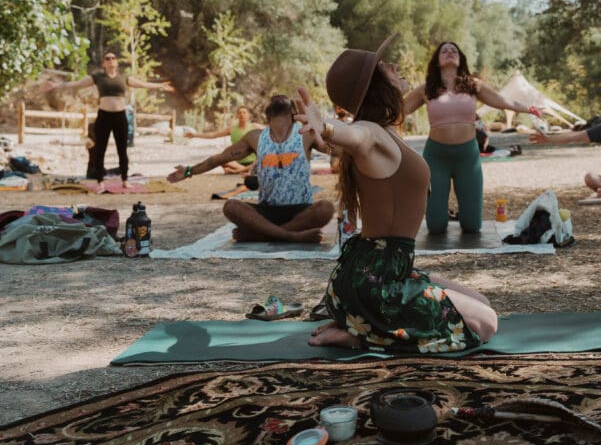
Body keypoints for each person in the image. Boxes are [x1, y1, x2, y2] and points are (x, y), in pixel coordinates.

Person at [294, 34, 498, 352]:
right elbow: (355, 136)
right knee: (485, 324)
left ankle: (363, 323)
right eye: (383, 66)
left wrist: (330, 131)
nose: (393, 65)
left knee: (481, 303)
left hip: (376, 273)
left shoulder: (386, 131)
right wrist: (327, 126)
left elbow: (354, 137)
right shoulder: (371, 131)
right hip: (377, 283)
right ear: (376, 85)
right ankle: (365, 335)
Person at [403, 41, 541, 234]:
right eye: (444, 51)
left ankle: (462, 213)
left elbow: (503, 101)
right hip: (436, 156)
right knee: (435, 227)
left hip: (467, 157)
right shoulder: (425, 89)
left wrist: (530, 108)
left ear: (460, 60)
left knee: (472, 226)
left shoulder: (473, 85)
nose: (450, 52)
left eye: (454, 50)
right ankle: (442, 213)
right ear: (437, 60)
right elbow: (397, 111)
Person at [168, 94, 334, 243]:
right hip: (266, 212)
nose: (278, 98)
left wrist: (323, 127)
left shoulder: (306, 134)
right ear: (267, 115)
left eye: (282, 100)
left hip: (301, 211)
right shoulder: (255, 137)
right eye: (274, 100)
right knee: (231, 206)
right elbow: (219, 159)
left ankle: (264, 234)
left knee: (326, 208)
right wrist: (189, 171)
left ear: (293, 113)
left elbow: (337, 150)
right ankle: (290, 235)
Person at [41, 50, 175, 191]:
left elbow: (143, 84)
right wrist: (56, 86)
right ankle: (100, 181)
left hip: (120, 117)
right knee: (100, 150)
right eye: (107, 58)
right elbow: (77, 84)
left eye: (113, 58)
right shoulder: (98, 77)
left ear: (116, 62)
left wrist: (159, 86)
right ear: (103, 63)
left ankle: (125, 179)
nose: (111, 60)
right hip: (104, 116)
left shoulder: (124, 78)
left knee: (122, 150)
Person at [184, 105, 263, 174]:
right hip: (236, 162)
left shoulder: (255, 126)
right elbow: (214, 135)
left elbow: (271, 130)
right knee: (220, 160)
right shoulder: (232, 129)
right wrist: (195, 135)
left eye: (244, 112)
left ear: (248, 115)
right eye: (240, 113)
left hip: (253, 162)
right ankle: (243, 170)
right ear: (237, 115)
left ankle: (238, 170)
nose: (242, 115)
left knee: (262, 161)